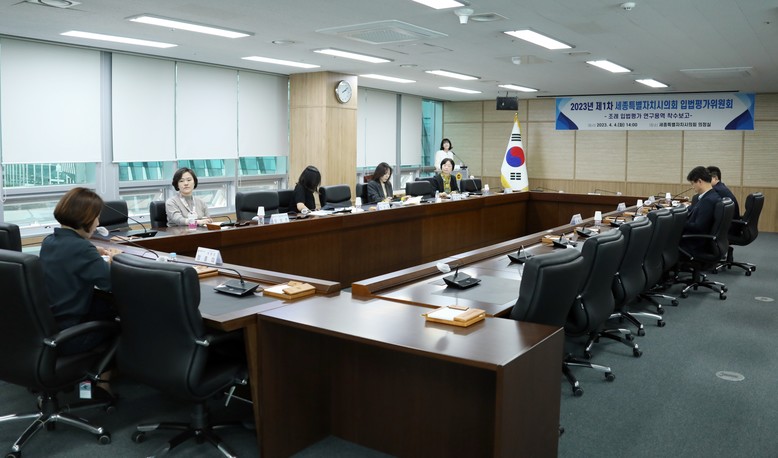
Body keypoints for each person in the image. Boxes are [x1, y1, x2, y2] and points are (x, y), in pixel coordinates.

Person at [39, 187, 120, 355]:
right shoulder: (82, 249)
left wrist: (92, 250)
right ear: (86, 218)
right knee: (125, 317)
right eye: (97, 217)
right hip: (71, 336)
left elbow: (70, 255)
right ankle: (110, 371)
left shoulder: (48, 242)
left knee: (102, 304)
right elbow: (112, 284)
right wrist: (115, 260)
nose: (98, 223)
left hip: (49, 328)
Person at [681, 166, 722, 256]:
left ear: (700, 181)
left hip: (695, 244)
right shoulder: (711, 196)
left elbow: (698, 227)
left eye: (692, 183)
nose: (692, 187)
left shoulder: (708, 201)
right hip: (702, 240)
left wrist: (679, 223)